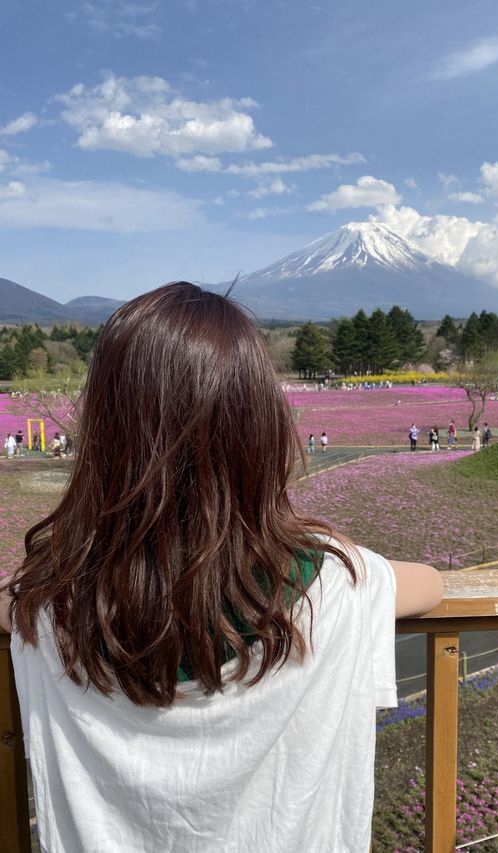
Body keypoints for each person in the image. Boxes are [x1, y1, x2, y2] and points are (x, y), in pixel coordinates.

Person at [0, 282, 443, 853]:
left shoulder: (54, 602)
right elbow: (430, 585)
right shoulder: (330, 583)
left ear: (107, 433)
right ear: (258, 430)